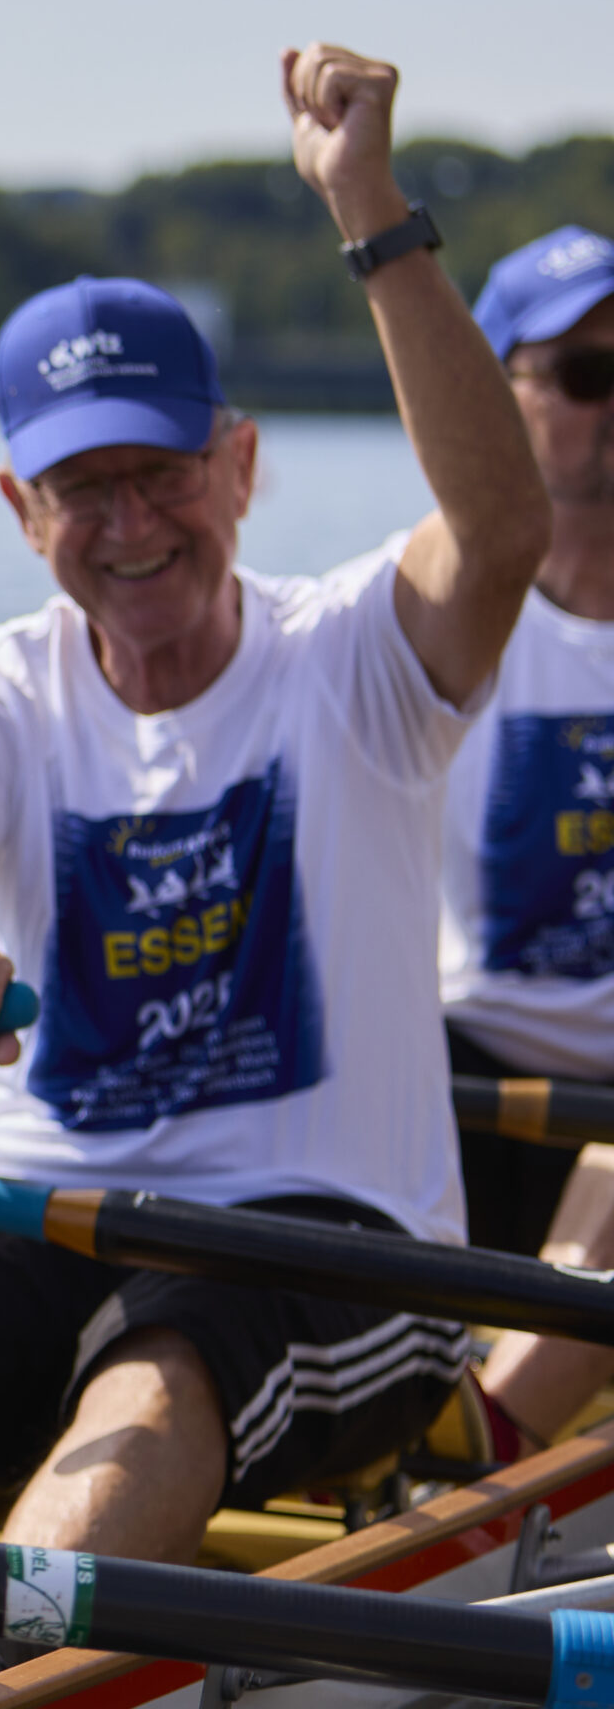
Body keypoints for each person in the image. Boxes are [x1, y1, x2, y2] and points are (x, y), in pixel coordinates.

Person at [0, 46, 549, 1606]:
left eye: (162, 475)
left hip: (333, 1242)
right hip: (41, 1202)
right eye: (83, 490)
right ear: (19, 510)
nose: (131, 525)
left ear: (241, 466)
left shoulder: (357, 658)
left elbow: (502, 528)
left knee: (165, 1363)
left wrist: (367, 207)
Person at [438, 227, 614, 1451]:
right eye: (591, 376)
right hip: (459, 1081)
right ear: (497, 399)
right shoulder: (416, 618)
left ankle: (477, 1459)